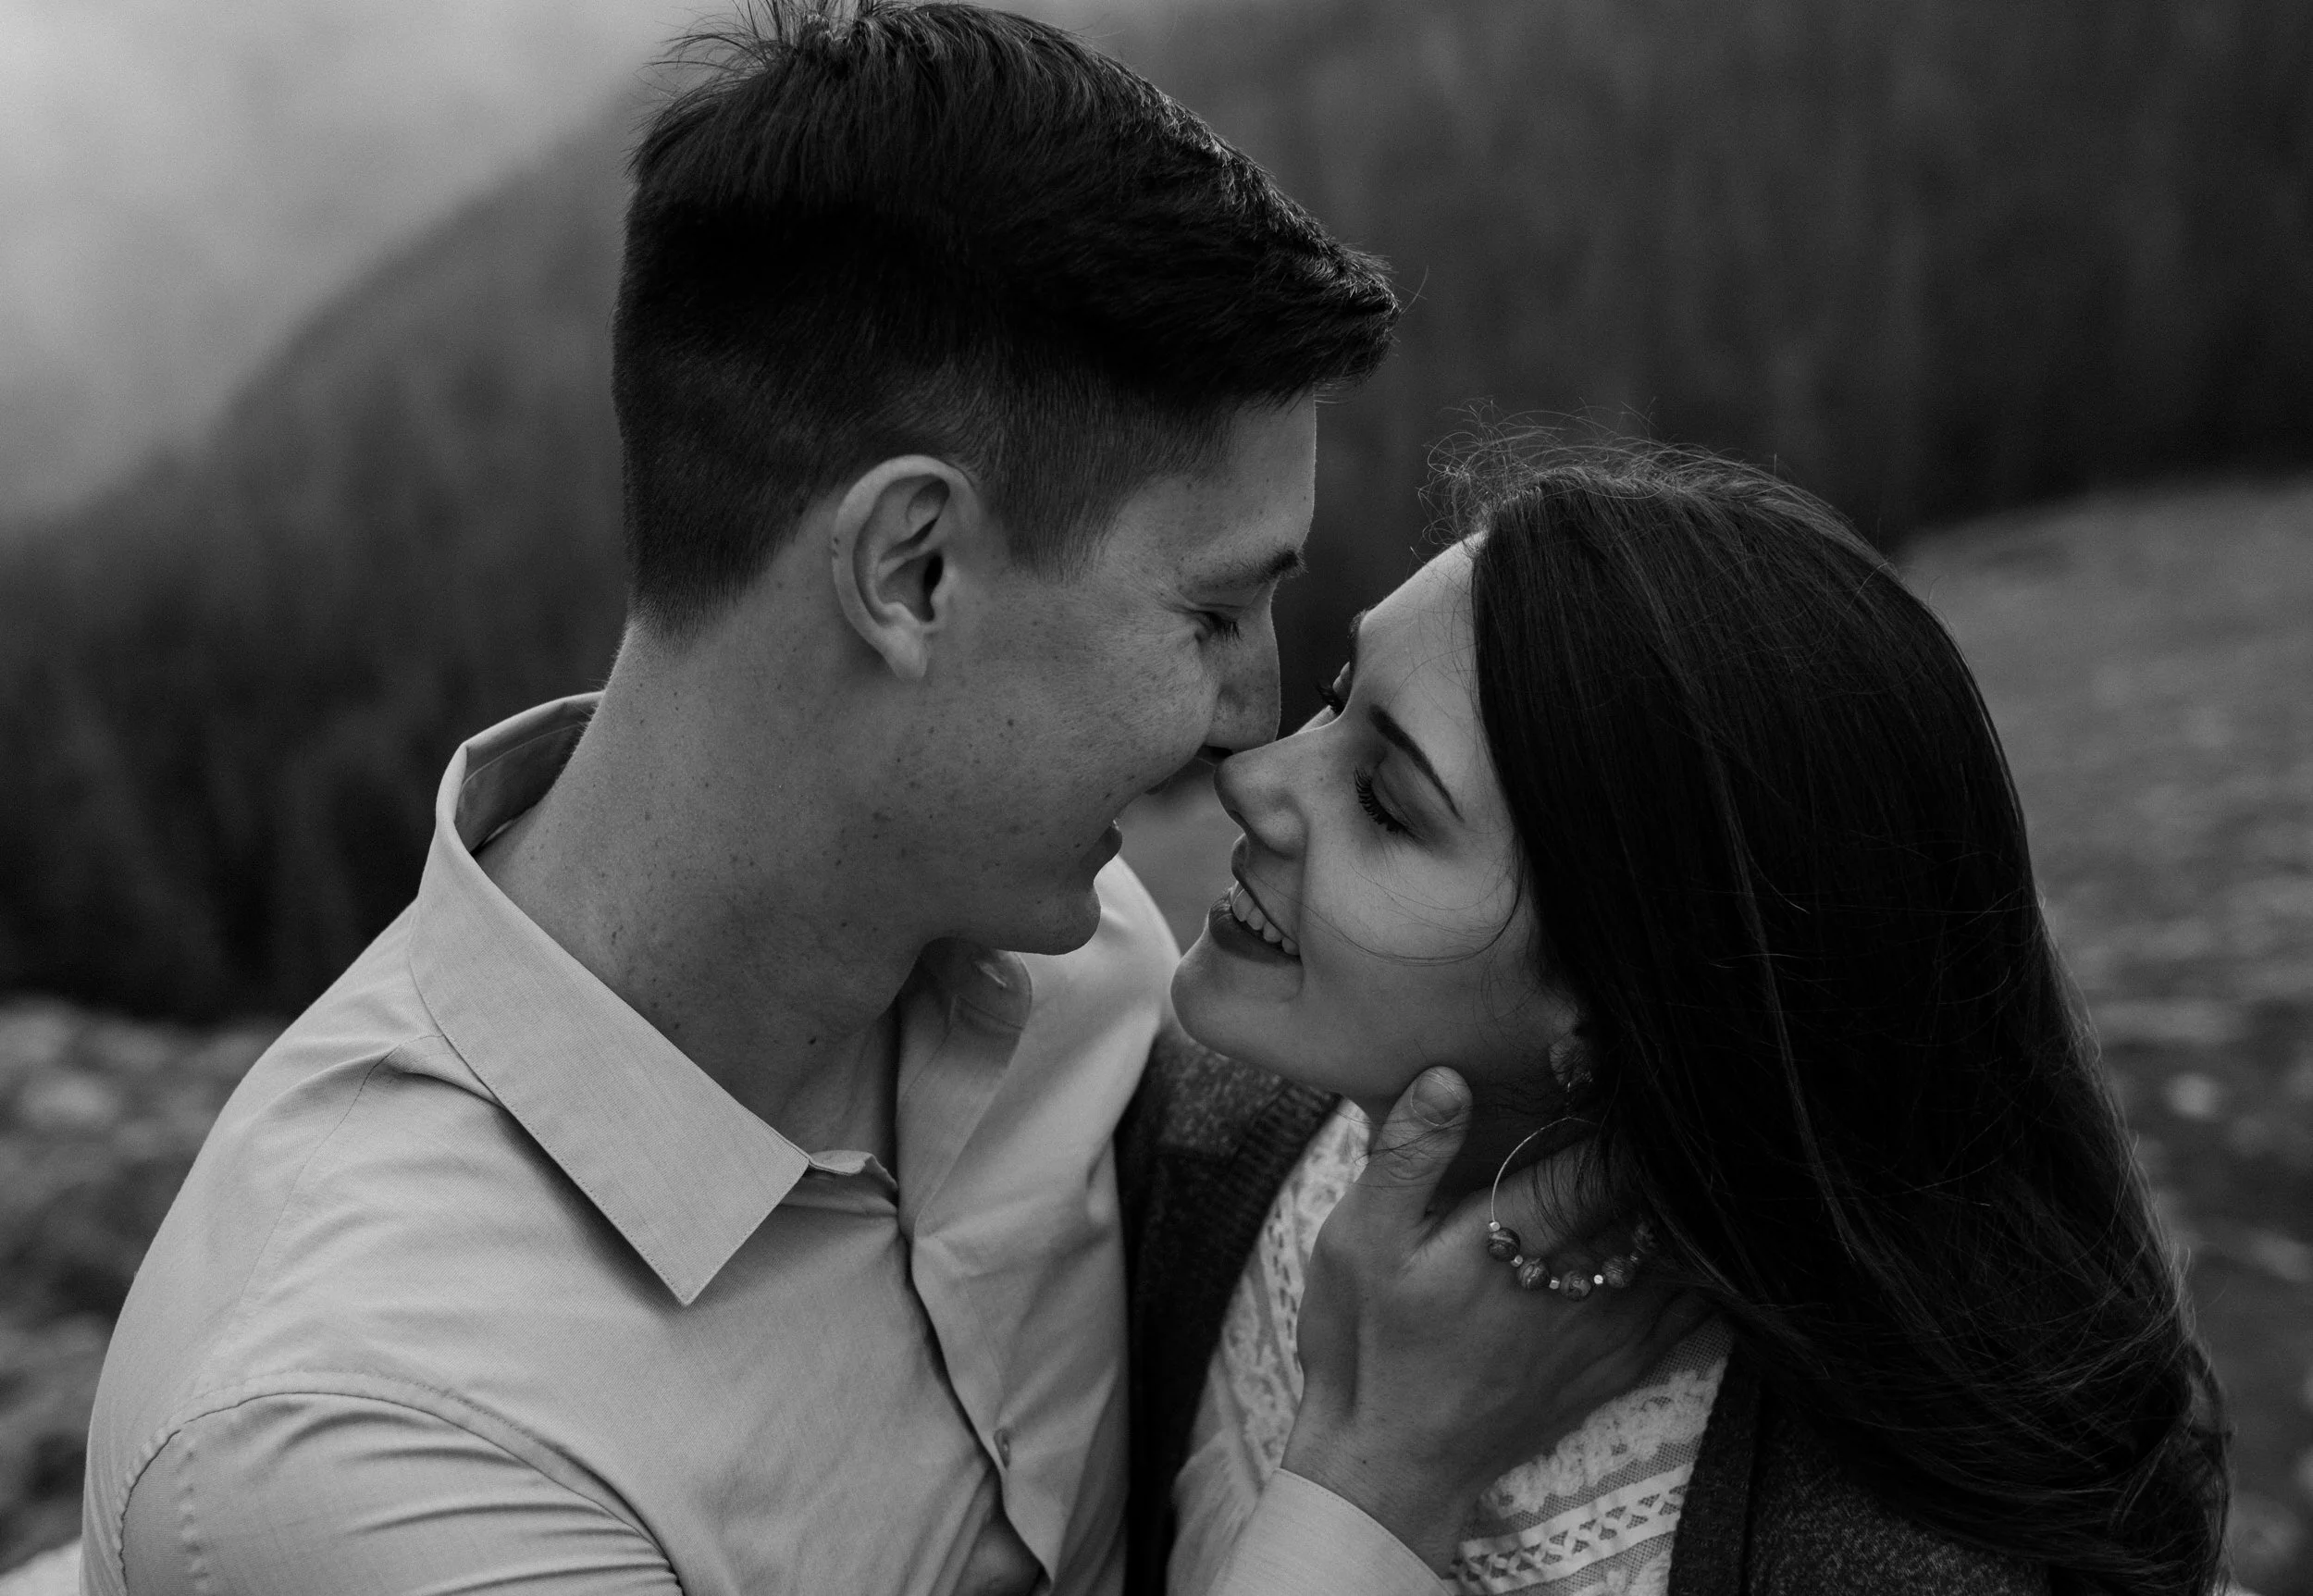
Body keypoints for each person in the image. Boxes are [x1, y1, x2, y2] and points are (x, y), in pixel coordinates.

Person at [71, 4, 1512, 1590]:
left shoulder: (1068, 953)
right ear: (914, 570)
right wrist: (1382, 1474)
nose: (1250, 723)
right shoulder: (362, 1438)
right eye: (1212, 614)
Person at [1121, 439, 2233, 1595]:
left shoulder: (1875, 1560)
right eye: (1337, 700)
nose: (1252, 780)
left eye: (1385, 803)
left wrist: (1375, 1480)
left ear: (1615, 1016)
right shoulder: (1201, 1137)